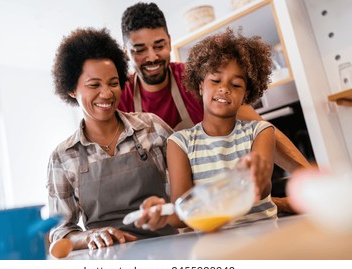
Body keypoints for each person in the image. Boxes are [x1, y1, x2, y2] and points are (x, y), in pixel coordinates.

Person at [118, 2, 311, 213]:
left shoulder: (197, 80)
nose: (152, 57)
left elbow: (263, 131)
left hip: (214, 204)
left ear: (170, 41)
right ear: (126, 51)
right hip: (166, 210)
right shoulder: (121, 97)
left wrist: (311, 180)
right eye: (139, 50)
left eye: (159, 46)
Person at [46, 27, 177, 251]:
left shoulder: (152, 127)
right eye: (94, 85)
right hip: (108, 260)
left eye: (113, 83)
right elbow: (61, 231)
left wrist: (169, 210)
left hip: (169, 249)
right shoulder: (63, 157)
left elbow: (190, 193)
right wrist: (88, 237)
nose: (106, 93)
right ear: (72, 90)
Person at [139, 29, 278, 230]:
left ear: (246, 94)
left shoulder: (261, 131)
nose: (224, 88)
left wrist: (256, 174)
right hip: (213, 248)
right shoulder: (180, 143)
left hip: (263, 240)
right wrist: (163, 213)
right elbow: (182, 213)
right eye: (215, 80)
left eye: (236, 84)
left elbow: (262, 189)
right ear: (201, 85)